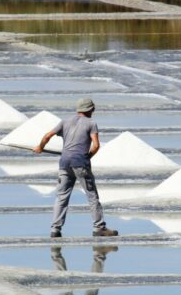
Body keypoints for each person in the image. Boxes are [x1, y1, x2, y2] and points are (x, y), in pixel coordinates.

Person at [34, 97, 119, 238]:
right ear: (90, 109)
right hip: (80, 164)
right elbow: (96, 145)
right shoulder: (91, 123)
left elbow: (48, 135)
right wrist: (87, 157)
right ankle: (99, 228)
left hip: (64, 163)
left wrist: (40, 147)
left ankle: (55, 229)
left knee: (61, 197)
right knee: (92, 196)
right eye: (93, 108)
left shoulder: (64, 122)